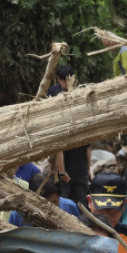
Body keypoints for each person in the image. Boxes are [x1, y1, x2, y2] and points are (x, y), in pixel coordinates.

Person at [47, 65, 90, 205]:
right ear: (58, 79)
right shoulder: (54, 93)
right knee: (65, 202)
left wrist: (88, 170)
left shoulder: (78, 92)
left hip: (80, 168)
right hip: (67, 169)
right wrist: (62, 171)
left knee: (81, 203)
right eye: (65, 81)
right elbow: (60, 149)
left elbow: (88, 147)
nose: (67, 84)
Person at [9, 173, 81, 227]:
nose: (49, 209)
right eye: (43, 205)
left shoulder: (69, 207)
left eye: (53, 203)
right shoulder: (18, 215)